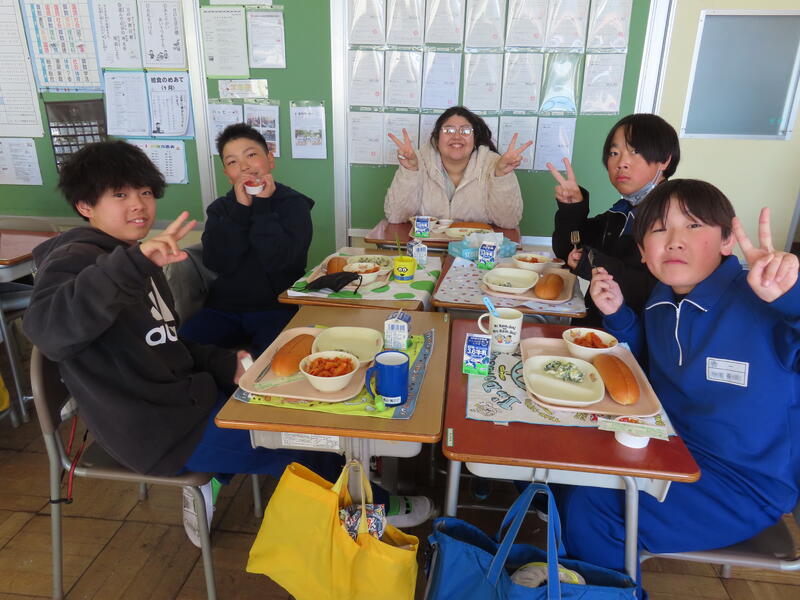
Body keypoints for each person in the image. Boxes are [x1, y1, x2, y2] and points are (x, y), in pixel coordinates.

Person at [22, 141, 434, 548]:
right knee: (298, 445)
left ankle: (284, 482)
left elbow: (166, 344)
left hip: (184, 402)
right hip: (155, 430)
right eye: (119, 195)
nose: (138, 205)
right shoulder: (76, 260)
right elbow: (48, 331)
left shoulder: (133, 258)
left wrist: (226, 361)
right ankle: (375, 508)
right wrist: (134, 264)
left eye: (144, 192)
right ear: (85, 206)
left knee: (295, 414)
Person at [560, 179, 800, 594]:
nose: (674, 240)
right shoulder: (660, 301)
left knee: (595, 507)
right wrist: (618, 315)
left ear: (727, 240)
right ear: (642, 250)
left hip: (741, 485)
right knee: (559, 466)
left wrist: (790, 296)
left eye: (693, 225)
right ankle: (573, 572)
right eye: (658, 229)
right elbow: (650, 368)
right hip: (668, 449)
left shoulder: (763, 303)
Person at [178, 123, 310, 358]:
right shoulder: (220, 209)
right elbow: (217, 262)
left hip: (277, 307)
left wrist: (262, 207)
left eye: (251, 155)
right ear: (227, 174)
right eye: (232, 162)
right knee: (180, 351)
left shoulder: (294, 205)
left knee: (274, 363)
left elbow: (282, 262)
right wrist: (241, 210)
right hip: (223, 309)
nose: (244, 167)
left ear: (270, 159)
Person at [548, 113, 680, 326]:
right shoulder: (622, 211)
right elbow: (568, 249)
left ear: (665, 160)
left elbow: (659, 288)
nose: (622, 163)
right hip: (593, 331)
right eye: (614, 153)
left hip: (634, 337)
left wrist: (592, 263)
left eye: (635, 151)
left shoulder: (676, 215)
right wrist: (572, 208)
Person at [384, 106, 530, 228]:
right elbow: (395, 216)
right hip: (426, 247)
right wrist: (410, 172)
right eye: (449, 130)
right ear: (437, 137)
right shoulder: (417, 161)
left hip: (476, 249)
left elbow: (509, 222)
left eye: (465, 131)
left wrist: (502, 176)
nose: (457, 137)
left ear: (474, 138)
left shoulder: (495, 164)